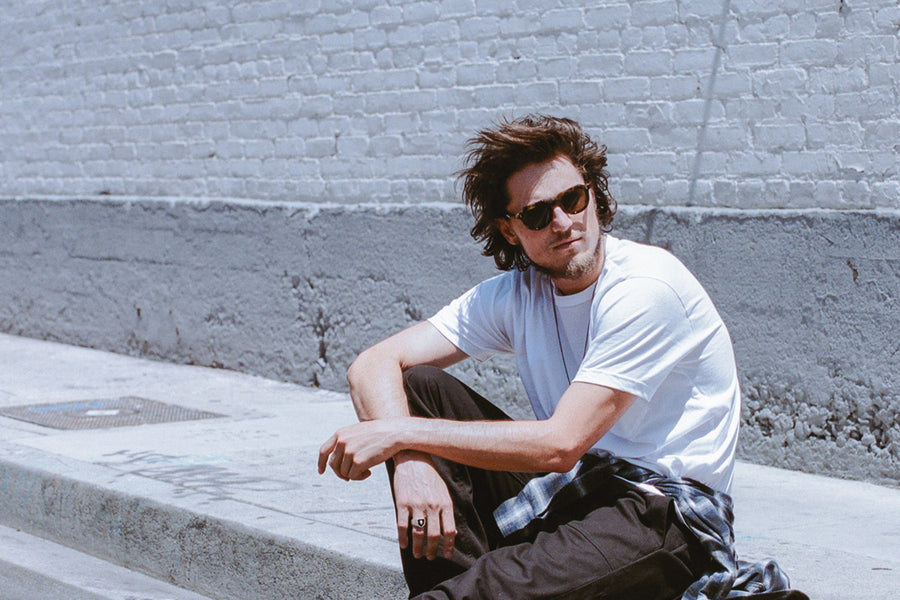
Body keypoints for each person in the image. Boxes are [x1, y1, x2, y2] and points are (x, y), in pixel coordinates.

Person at [318, 115, 806, 600]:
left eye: (573, 199)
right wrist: (411, 462)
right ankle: (456, 589)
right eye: (536, 214)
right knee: (420, 386)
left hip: (661, 517)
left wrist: (399, 434)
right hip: (571, 492)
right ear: (510, 230)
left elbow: (561, 443)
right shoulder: (518, 294)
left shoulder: (647, 286)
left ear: (593, 194)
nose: (563, 222)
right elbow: (373, 364)